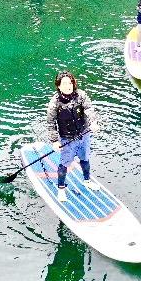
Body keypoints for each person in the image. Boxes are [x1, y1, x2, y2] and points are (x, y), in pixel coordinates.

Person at [46, 71, 100, 202]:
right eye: (64, 83)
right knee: (64, 164)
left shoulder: (81, 95)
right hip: (67, 139)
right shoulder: (55, 103)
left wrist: (93, 122)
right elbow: (50, 123)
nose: (68, 86)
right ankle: (61, 189)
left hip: (83, 134)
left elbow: (89, 109)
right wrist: (54, 141)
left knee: (85, 159)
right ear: (58, 86)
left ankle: (87, 181)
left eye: (70, 83)